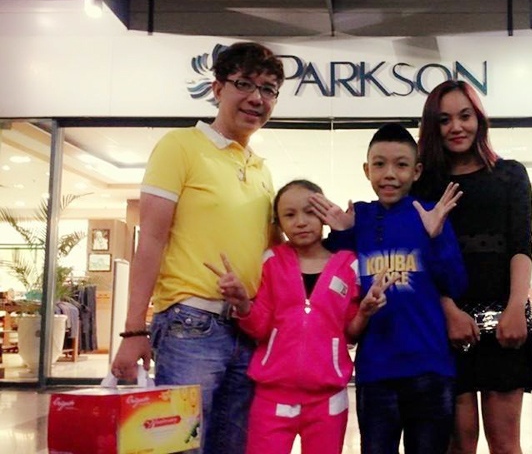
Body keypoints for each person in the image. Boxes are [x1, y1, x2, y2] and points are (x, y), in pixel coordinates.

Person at [110, 42, 285, 454]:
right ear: (217, 88)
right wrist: (134, 329)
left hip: (248, 329)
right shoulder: (180, 146)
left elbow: (273, 254)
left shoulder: (262, 169)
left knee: (233, 447)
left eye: (269, 89)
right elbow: (151, 239)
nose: (257, 98)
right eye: (245, 84)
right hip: (190, 326)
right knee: (179, 447)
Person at [204, 180, 397, 454]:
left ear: (324, 214)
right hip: (271, 395)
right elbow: (260, 327)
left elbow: (350, 332)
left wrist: (365, 312)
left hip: (328, 397)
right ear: (279, 223)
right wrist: (243, 304)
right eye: (290, 215)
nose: (301, 222)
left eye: (310, 212)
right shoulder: (271, 261)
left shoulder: (349, 264)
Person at [309, 123, 467, 454]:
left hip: (430, 367)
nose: (390, 174)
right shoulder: (361, 218)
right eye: (379, 164)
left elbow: (455, 283)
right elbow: (338, 281)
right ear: (367, 170)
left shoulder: (430, 214)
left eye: (401, 164)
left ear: (416, 171)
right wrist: (341, 233)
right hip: (375, 371)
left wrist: (436, 237)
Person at [413, 80, 532, 454]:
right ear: (432, 126)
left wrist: (516, 306)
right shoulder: (425, 183)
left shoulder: (510, 174)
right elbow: (419, 257)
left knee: (505, 443)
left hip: (505, 320)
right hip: (446, 323)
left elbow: (521, 246)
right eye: (444, 120)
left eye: (465, 116)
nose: (456, 127)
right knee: (458, 443)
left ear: (479, 119)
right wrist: (448, 311)